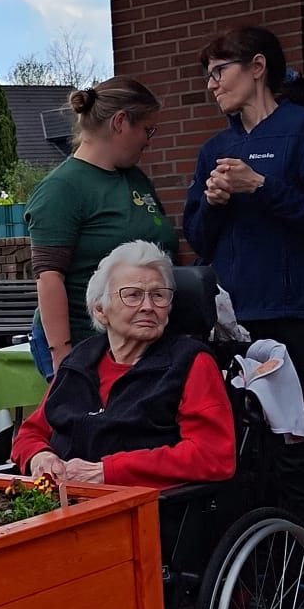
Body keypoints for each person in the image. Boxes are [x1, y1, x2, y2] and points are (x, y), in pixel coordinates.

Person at [181, 24, 304, 563]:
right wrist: (213, 201)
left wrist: (262, 186)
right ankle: (259, 588)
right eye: (206, 74)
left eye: (219, 71)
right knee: (241, 459)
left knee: (295, 459)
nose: (211, 85)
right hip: (232, 328)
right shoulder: (215, 148)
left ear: (257, 68)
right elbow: (198, 240)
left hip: (296, 321)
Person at [13, 241, 235, 490]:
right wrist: (40, 457)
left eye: (158, 295)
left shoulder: (190, 363)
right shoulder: (80, 360)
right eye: (133, 295)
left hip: (144, 509)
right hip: (64, 500)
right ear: (100, 310)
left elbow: (213, 455)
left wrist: (107, 471)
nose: (148, 307)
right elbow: (30, 433)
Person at [25, 78, 178, 383]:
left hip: (138, 339)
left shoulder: (135, 179)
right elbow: (49, 277)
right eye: (147, 130)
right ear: (120, 122)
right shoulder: (62, 188)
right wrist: (64, 359)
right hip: (87, 342)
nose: (149, 141)